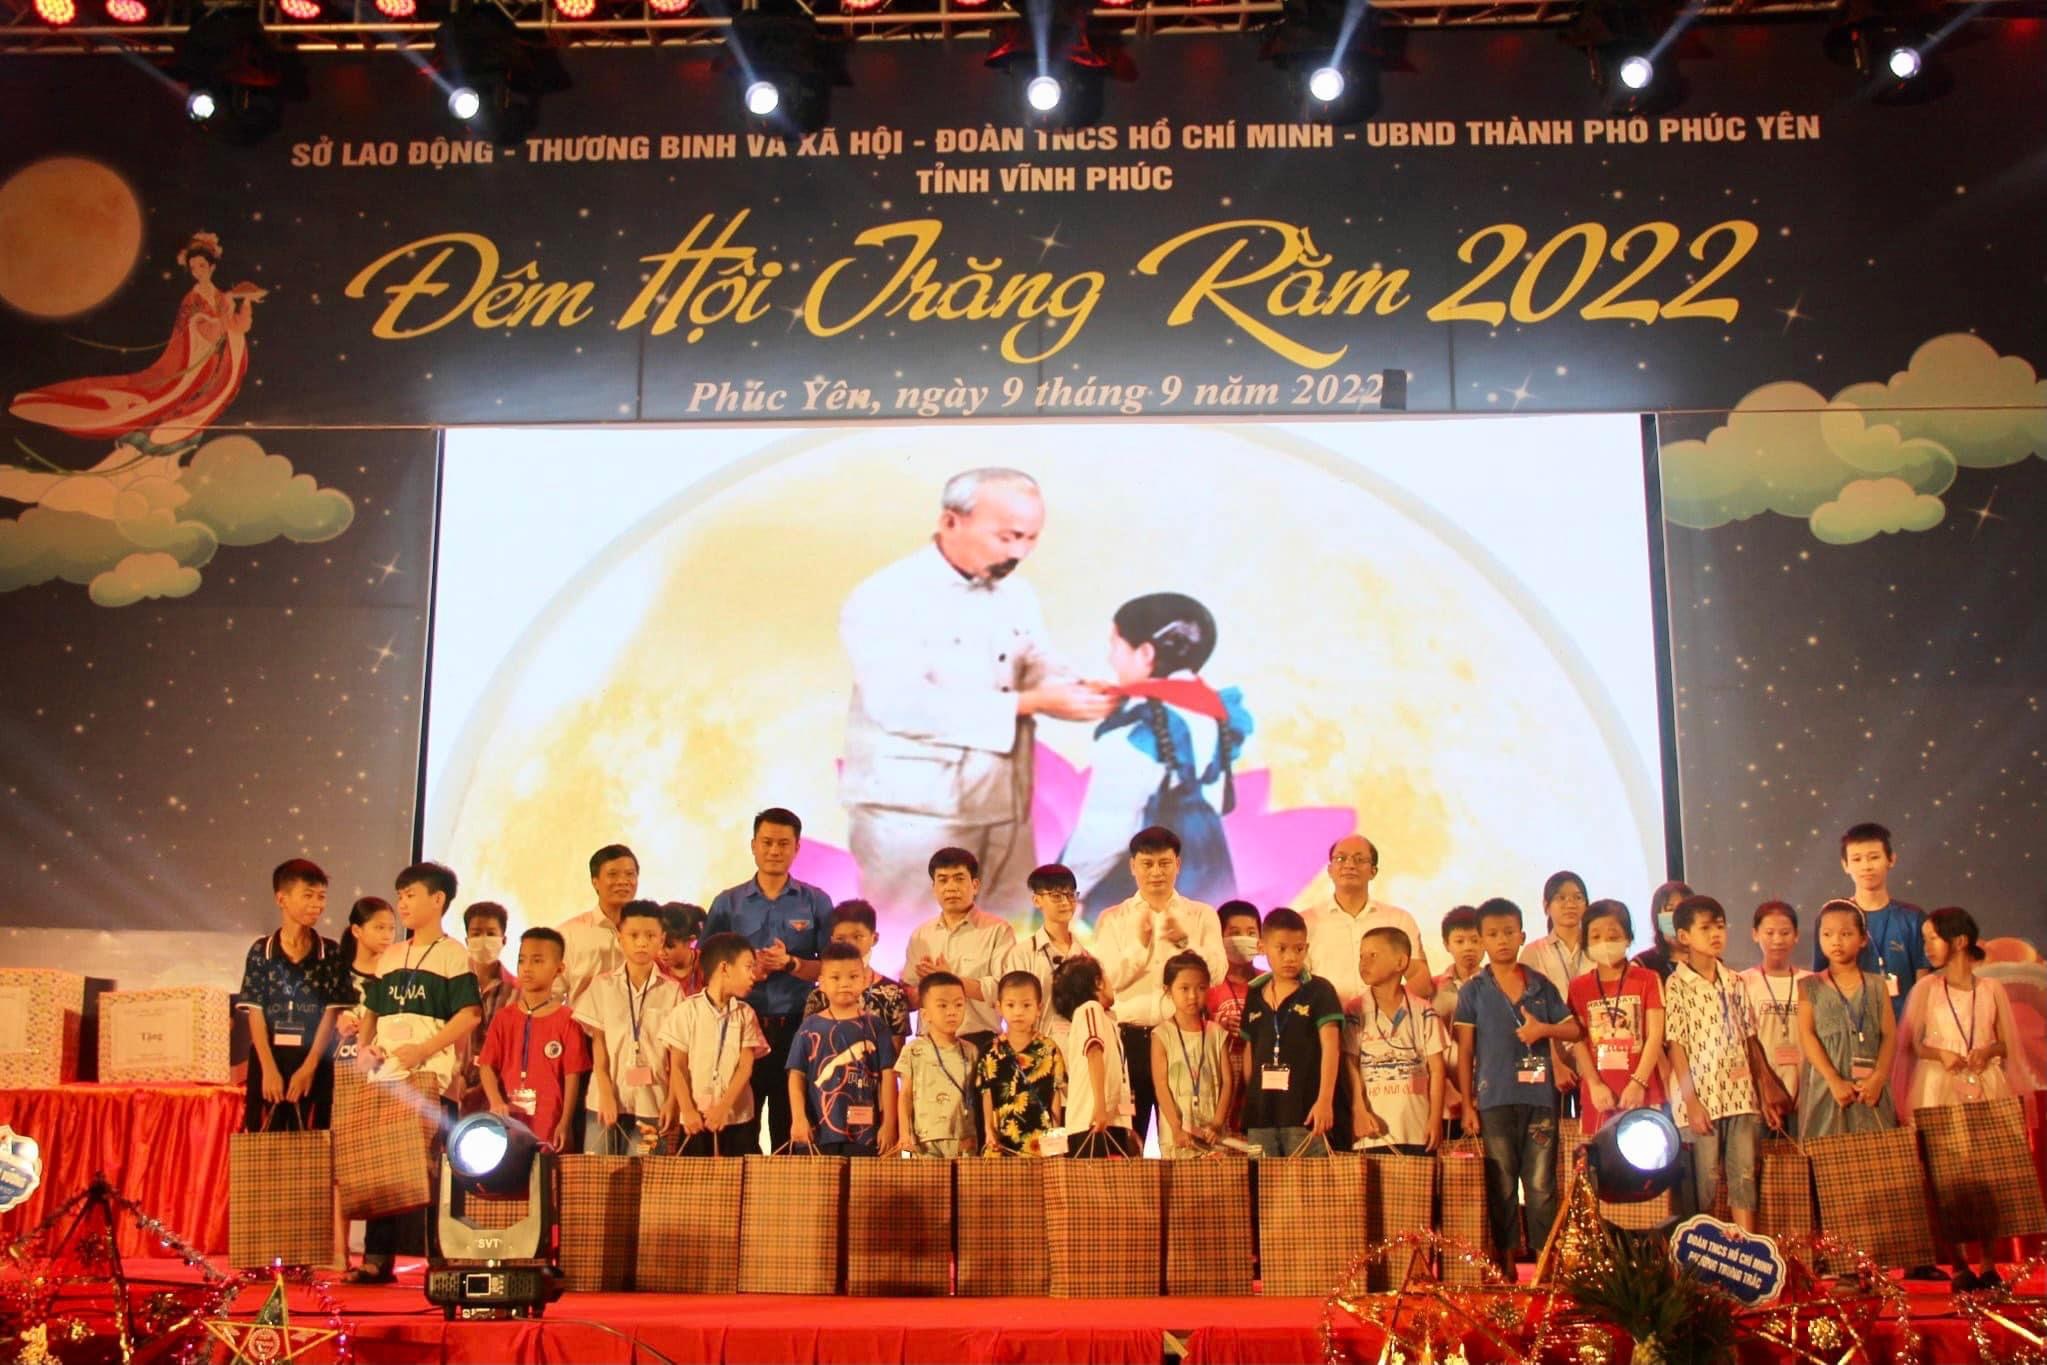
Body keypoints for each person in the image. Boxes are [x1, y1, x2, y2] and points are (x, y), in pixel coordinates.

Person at [839, 468, 1110, 920]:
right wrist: (1032, 703)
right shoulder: (887, 595)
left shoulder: (1016, 593)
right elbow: (898, 705)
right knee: (918, 940)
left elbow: (1035, 658)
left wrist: (1073, 686)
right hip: (915, 815)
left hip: (1003, 807)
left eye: (1031, 539)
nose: (1019, 552)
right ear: (951, 521)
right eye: (1008, 537)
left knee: (1007, 940)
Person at [1062, 592, 1252, 913]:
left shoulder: (1135, 730)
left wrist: (1070, 888)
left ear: (1146, 653)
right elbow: (1218, 801)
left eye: (1115, 645)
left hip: (1143, 882)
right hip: (1206, 871)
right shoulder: (1213, 711)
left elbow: (1107, 828)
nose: (1110, 658)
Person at [354, 862, 482, 1285]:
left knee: (435, 1169)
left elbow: (469, 1015)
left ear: (438, 899)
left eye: (411, 895)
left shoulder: (453, 954)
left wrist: (425, 1049)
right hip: (386, 1076)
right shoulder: (390, 956)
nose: (403, 903)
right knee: (381, 1167)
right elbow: (371, 1012)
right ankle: (377, 1259)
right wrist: (366, 1047)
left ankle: (441, 1259)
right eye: (400, 896)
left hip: (431, 1077)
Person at [1900, 906, 2040, 1290]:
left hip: (1985, 1084)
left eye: (1933, 938)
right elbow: (1913, 1044)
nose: (1927, 946)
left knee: (1988, 1174)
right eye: (1925, 939)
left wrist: (1989, 1050)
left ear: (1959, 941)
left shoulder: (1991, 989)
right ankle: (1960, 1264)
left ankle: (1989, 1263)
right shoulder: (1927, 989)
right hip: (1940, 1086)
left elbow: (2006, 1043)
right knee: (1948, 1176)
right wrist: (1940, 1054)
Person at [1455, 898, 1577, 1269]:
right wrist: (1467, 1104)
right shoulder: (1473, 991)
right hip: (1493, 1100)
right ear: (1481, 941)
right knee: (1502, 1183)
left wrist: (1544, 1030)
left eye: (1509, 932)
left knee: (1540, 1183)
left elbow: (1575, 1029)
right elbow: (1465, 1051)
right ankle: (1505, 1263)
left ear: (1522, 936)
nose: (1502, 940)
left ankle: (1544, 1262)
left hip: (1539, 1099)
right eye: (1493, 934)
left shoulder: (1540, 986)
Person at [705, 808, 832, 1155]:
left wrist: (791, 963)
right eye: (767, 842)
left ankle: (787, 1189)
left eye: (783, 843)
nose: (774, 850)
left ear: (797, 848)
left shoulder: (816, 901)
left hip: (798, 1026)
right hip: (741, 1027)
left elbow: (831, 969)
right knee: (738, 1128)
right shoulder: (728, 902)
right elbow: (708, 967)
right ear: (753, 845)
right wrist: (747, 974)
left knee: (790, 1126)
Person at [1091, 826, 1226, 1142]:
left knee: (1187, 1138)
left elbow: (1217, 973)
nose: (1156, 872)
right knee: (1127, 1139)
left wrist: (1185, 942)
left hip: (1183, 1039)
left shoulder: (1200, 914)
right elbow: (1106, 983)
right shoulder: (1112, 918)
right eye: (1147, 864)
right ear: (1132, 866)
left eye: (1164, 863)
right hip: (1129, 1039)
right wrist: (1139, 948)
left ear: (1177, 864)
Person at [1665, 895, 1788, 1233]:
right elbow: (1677, 1046)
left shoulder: (1734, 980)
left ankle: (1746, 1246)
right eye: (1705, 928)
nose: (1716, 934)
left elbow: (1750, 1039)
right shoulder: (1677, 985)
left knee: (1744, 1174)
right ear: (1684, 936)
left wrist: (1763, 1094)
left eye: (1720, 926)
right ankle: (1699, 1249)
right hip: (1702, 1099)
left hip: (1741, 1096)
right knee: (1703, 1180)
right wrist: (1691, 1102)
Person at [236, 858, 351, 1133]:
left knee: (314, 1140)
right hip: (269, 1060)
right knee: (264, 1140)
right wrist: (268, 1070)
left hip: (314, 1062)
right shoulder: (261, 951)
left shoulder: (330, 952)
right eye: (308, 896)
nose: (317, 904)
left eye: (321, 896)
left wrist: (308, 1068)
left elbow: (330, 1015)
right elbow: (255, 1013)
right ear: (282, 899)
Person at [574, 900, 685, 1156]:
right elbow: (598, 1044)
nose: (642, 943)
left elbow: (678, 1054)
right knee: (599, 1173)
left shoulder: (672, 991)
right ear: (620, 937)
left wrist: (672, 1101)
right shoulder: (602, 986)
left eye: (650, 936)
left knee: (646, 1174)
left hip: (653, 1102)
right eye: (634, 935)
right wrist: (605, 1093)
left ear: (661, 939)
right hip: (605, 1100)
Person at [1239, 907, 1344, 1159]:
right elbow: (1250, 1050)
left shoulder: (1319, 990)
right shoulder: (1254, 993)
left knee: (1306, 1181)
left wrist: (1324, 1100)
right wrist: (1252, 1098)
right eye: (1282, 948)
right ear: (1262, 947)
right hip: (1261, 1115)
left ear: (1306, 948)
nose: (1290, 957)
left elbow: (1331, 1048)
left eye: (1298, 949)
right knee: (1263, 1181)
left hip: (1304, 1112)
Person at [475, 928, 591, 1152]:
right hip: (507, 1121)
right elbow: (487, 1065)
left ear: (559, 969)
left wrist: (565, 1122)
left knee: (543, 1170)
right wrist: (496, 1100)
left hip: (548, 1122)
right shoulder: (504, 1017)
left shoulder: (568, 1020)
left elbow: (572, 1076)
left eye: (537, 961)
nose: (527, 968)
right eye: (522, 960)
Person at [1795, 899, 1900, 1140]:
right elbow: (1807, 1035)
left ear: (1862, 939)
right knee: (1826, 1152)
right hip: (1826, 1087)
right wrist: (1833, 1080)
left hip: (1871, 1090)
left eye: (1845, 934)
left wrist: (1878, 1078)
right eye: (1827, 934)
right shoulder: (1809, 986)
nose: (1836, 941)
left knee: (1877, 1151)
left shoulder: (1877, 985)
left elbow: (1889, 1035)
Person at [660, 931, 772, 1157]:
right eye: (748, 967)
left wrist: (723, 1108)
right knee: (695, 1176)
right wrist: (687, 1109)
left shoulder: (745, 1014)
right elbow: (678, 1067)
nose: (753, 976)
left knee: (737, 1175)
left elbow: (745, 1067)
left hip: (737, 1118)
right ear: (724, 968)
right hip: (695, 1118)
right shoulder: (686, 1011)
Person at [902, 848, 1019, 1058]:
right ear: (934, 887)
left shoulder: (998, 931)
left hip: (981, 1044)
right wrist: (925, 988)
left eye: (959, 879)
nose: (951, 887)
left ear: (975, 885)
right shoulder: (921, 935)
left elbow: (1003, 990)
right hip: (930, 1046)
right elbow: (909, 997)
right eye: (943, 880)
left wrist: (951, 980)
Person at [788, 943, 899, 1156]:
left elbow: (888, 1076)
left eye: (853, 977)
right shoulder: (809, 1027)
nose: (844, 984)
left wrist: (889, 1124)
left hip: (866, 1135)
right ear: (821, 983)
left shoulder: (876, 1026)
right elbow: (796, 1075)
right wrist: (798, 1117)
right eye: (836, 978)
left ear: (865, 980)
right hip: (819, 1133)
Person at [1565, 900, 1665, 1136]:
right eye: (1595, 937)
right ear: (1585, 943)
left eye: (1613, 936)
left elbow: (1655, 1035)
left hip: (1642, 1091)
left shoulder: (1647, 979)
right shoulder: (1579, 987)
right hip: (1599, 1096)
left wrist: (1638, 1082)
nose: (1604, 943)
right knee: (1599, 1155)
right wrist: (1594, 1084)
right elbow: (1577, 1040)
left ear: (1628, 938)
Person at [1346, 926, 1447, 1154]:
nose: (1364, 962)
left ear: (1401, 962)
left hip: (1417, 1128)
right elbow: (1349, 1064)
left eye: (1373, 955)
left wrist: (1435, 1118)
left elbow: (1437, 1069)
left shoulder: (1423, 1010)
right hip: (1372, 1132)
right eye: (1361, 956)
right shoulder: (1355, 1010)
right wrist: (1358, 1110)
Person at [1815, 822, 1929, 1020]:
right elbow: (1820, 978)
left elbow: (1923, 983)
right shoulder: (1831, 917)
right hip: (1849, 1025)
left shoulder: (1912, 918)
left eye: (1874, 857)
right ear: (1845, 865)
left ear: (1891, 859)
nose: (1866, 866)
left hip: (1902, 1027)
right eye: (1856, 859)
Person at [1305, 835, 1433, 1009]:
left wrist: (1383, 1011)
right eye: (1341, 858)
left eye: (1359, 860)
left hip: (1387, 1022)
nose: (1349, 865)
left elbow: (1421, 979)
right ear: (1330, 870)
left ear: (1373, 871)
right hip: (1328, 1021)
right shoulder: (1307, 922)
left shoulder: (1398, 919)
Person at [1521, 872, 1591, 1114]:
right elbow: (1533, 1014)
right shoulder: (1534, 952)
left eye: (1577, 897)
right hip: (1553, 1056)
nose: (1570, 904)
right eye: (1561, 898)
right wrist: (1557, 1064)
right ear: (1546, 906)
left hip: (1595, 1055)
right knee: (1551, 1128)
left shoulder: (1597, 946)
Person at [1054, 956, 1138, 1156]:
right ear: (1098, 982)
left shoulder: (1104, 1018)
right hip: (1092, 1121)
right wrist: (1100, 1107)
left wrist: (1126, 1125)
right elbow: (1094, 1053)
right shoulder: (1090, 1009)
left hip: (1108, 1120)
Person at [803, 900, 913, 1051]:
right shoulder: (819, 995)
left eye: (857, 937)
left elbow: (897, 1052)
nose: (849, 945)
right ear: (832, 940)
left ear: (874, 938)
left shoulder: (893, 994)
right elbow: (808, 1049)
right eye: (841, 939)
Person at [1152, 952, 1232, 1157]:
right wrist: (1175, 1127)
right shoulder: (1162, 1034)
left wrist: (1217, 1124)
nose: (1193, 996)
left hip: (1212, 1135)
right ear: (1168, 990)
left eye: (1201, 988)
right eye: (1184, 988)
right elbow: (1161, 1085)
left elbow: (1227, 1082)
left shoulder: (1216, 1033)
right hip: (1179, 1137)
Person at [978, 970, 1067, 1154]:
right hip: (1001, 1144)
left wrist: (1056, 1133)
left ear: (1039, 1008)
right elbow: (987, 1093)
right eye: (1010, 1005)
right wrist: (988, 1130)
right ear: (999, 1007)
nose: (1018, 1012)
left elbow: (1056, 1092)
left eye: (1026, 1005)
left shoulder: (1048, 1048)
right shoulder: (991, 1050)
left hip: (1040, 1143)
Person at [1740, 902, 1810, 1132]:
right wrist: (1762, 1091)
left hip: (1805, 1090)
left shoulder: (1811, 981)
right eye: (1769, 933)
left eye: (1785, 932)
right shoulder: (1742, 982)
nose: (1777, 940)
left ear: (1796, 935)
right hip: (1761, 1093)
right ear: (1755, 934)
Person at [897, 972, 981, 1157]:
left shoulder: (972, 1051)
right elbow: (905, 1095)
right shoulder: (913, 1050)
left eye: (958, 1005)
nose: (952, 1012)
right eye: (942, 1005)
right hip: (925, 1141)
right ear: (925, 1014)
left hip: (964, 1138)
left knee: (966, 1177)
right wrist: (904, 1134)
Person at [1002, 864, 1087, 1044]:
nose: (1065, 903)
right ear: (1037, 900)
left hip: (1079, 1048)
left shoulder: (1085, 956)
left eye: (1070, 895)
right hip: (1038, 1049)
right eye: (1056, 896)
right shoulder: (1023, 954)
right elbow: (1014, 1009)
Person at [560, 844, 640, 1005]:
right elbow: (551, 995)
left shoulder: (653, 933)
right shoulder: (569, 934)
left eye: (630, 874)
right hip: (583, 1021)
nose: (623, 881)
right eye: (613, 874)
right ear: (595, 882)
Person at [1208, 900, 1261, 1135]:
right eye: (1234, 932)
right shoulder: (1209, 985)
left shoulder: (1269, 983)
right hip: (1219, 1081)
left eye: (1251, 933)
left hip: (1258, 1078)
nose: (1243, 939)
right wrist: (1217, 1028)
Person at [457, 901, 516, 1109]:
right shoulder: (454, 985)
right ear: (467, 940)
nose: (483, 940)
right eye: (476, 933)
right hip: (454, 1086)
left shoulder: (517, 990)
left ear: (503, 940)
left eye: (491, 933)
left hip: (497, 1094)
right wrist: (456, 1074)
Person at [1432, 906, 1484, 1133]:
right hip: (1447, 1096)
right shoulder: (1433, 988)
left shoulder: (1496, 985)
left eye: (1475, 940)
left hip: (1488, 1093)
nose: (1468, 947)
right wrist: (1447, 1089)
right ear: (1447, 944)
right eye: (1460, 941)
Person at [335, 897, 397, 1067]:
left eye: (392, 928)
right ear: (357, 930)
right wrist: (338, 1019)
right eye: (379, 928)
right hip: (340, 1064)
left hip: (382, 1063)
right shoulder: (337, 972)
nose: (387, 935)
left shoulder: (397, 973)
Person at [1633, 880, 1694, 981]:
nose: (1676, 915)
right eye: (1670, 909)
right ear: (1657, 916)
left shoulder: (1707, 960)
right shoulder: (1643, 964)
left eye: (1682, 909)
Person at [660, 903, 708, 994]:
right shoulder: (651, 965)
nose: (661, 952)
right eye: (658, 944)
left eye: (669, 946)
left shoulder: (707, 965)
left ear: (690, 940)